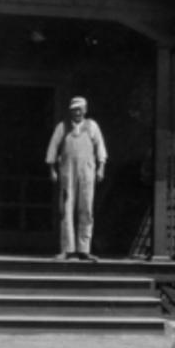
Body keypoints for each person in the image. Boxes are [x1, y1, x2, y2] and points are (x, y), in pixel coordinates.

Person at [45, 96, 108, 261]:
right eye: (74, 109)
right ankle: (67, 249)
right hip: (68, 172)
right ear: (70, 111)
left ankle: (84, 249)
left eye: (80, 109)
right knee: (66, 208)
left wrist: (101, 167)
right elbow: (53, 148)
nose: (77, 112)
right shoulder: (62, 127)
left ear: (85, 110)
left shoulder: (92, 126)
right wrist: (52, 169)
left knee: (86, 209)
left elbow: (100, 147)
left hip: (87, 171)